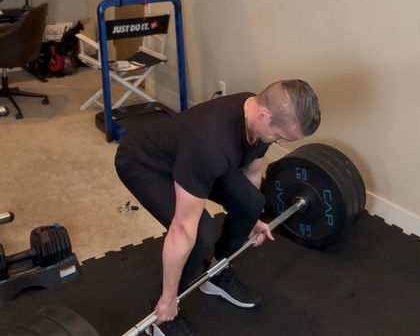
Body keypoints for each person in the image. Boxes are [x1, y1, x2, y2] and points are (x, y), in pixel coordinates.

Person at [115, 79, 321, 334]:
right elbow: (182, 229)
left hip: (187, 156)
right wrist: (168, 298)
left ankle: (218, 270)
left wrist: (249, 217)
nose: (280, 143)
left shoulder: (257, 115)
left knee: (254, 202)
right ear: (265, 116)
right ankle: (164, 310)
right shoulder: (211, 143)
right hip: (145, 163)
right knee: (200, 233)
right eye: (280, 137)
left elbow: (251, 172)